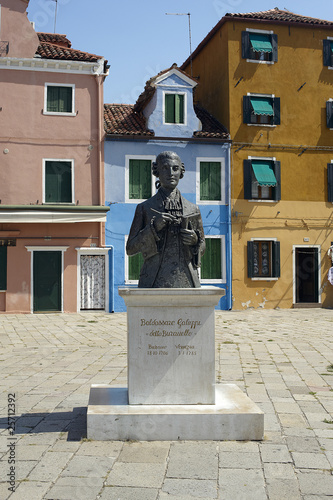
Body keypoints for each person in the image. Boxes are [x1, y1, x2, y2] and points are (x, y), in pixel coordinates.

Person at [126, 151, 205, 288]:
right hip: (153, 281)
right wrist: (153, 228)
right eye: (165, 168)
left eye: (175, 168)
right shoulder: (145, 208)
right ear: (157, 171)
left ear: (181, 172)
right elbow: (130, 248)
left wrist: (195, 241)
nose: (171, 173)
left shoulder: (193, 209)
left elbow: (203, 246)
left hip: (187, 280)